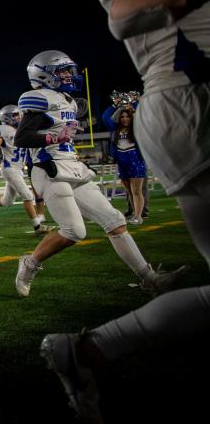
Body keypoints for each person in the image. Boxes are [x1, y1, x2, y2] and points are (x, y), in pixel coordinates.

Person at [39, 0, 210, 424]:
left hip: (184, 99)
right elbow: (130, 10)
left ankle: (90, 350)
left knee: (110, 226)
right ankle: (87, 343)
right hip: (194, 95)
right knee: (91, 227)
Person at [12, 50, 186, 298]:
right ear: (45, 75)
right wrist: (52, 136)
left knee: (115, 220)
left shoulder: (68, 100)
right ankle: (29, 263)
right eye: (63, 71)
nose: (69, 75)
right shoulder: (38, 97)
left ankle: (150, 279)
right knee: (74, 231)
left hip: (71, 166)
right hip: (48, 169)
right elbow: (22, 137)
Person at [0, 104, 53, 234]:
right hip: (9, 168)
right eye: (15, 115)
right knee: (28, 195)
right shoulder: (3, 129)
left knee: (6, 201)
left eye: (19, 114)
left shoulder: (21, 129)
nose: (19, 117)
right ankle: (37, 227)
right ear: (7, 117)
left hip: (18, 169)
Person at [102, 104, 147, 224]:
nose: (125, 119)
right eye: (122, 117)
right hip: (122, 164)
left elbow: (144, 118)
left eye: (127, 116)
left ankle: (139, 216)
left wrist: (134, 106)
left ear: (131, 117)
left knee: (137, 191)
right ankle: (134, 214)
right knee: (130, 192)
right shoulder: (115, 128)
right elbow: (105, 117)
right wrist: (115, 105)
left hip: (136, 162)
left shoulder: (136, 128)